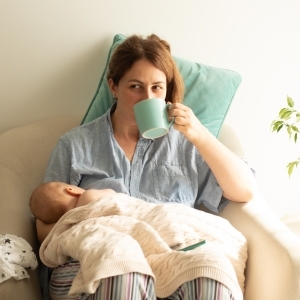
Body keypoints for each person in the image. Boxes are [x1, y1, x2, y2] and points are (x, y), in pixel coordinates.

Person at [39, 34, 257, 300]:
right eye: (135, 86)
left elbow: (244, 191)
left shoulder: (188, 144)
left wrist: (199, 134)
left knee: (210, 274)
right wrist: (88, 213)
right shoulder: (75, 145)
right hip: (93, 260)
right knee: (122, 275)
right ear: (113, 86)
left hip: (171, 256)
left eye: (157, 88)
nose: (147, 97)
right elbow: (44, 227)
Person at [29, 181, 116, 242]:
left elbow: (41, 237)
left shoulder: (59, 229)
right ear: (71, 190)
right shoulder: (88, 196)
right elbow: (113, 193)